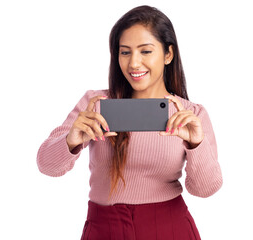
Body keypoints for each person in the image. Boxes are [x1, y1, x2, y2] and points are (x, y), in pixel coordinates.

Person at [37, 5, 222, 240]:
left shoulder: (191, 115)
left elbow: (206, 190)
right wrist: (71, 141)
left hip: (168, 228)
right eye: (125, 52)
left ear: (168, 54)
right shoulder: (95, 103)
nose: (134, 63)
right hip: (103, 229)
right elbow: (46, 165)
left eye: (145, 51)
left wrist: (197, 144)